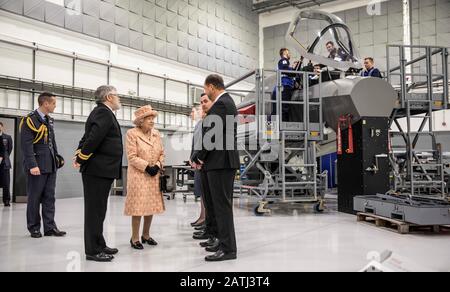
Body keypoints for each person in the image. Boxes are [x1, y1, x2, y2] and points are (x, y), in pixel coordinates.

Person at [191, 74, 239, 262]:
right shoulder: (225, 103)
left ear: (211, 87)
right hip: (219, 162)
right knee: (218, 207)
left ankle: (228, 250)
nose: (205, 94)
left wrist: (200, 156)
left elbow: (213, 135)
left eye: (205, 90)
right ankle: (222, 243)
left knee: (222, 207)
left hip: (221, 162)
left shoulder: (222, 103)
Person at [73, 85, 123, 262]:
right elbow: (93, 139)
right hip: (97, 170)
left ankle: (99, 243)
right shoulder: (103, 112)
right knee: (94, 211)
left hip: (102, 170)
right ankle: (92, 251)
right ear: (109, 97)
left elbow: (87, 136)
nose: (119, 99)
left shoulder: (104, 112)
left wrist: (79, 155)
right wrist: (81, 158)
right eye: (117, 96)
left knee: (99, 210)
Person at [20, 92, 66, 238]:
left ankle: (50, 227)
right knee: (34, 197)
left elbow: (52, 141)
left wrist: (57, 157)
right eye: (53, 103)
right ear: (45, 103)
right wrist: (32, 164)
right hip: (37, 166)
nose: (55, 106)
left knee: (49, 197)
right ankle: (33, 227)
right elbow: (26, 145)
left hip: (50, 164)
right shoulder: (30, 120)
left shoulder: (49, 120)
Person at [124, 105, 165, 250]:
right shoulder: (132, 133)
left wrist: (158, 165)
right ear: (140, 121)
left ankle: (146, 235)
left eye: (153, 118)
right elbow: (132, 156)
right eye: (149, 118)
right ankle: (134, 238)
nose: (152, 121)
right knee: (138, 207)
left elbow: (162, 153)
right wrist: (147, 166)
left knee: (150, 206)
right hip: (139, 176)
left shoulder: (156, 133)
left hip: (154, 175)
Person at [190, 101, 206, 228]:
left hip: (201, 161)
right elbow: (195, 144)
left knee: (204, 193)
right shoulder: (198, 125)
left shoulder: (203, 124)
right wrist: (191, 157)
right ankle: (202, 216)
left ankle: (205, 218)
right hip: (197, 160)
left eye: (194, 111)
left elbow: (202, 144)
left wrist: (198, 159)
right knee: (201, 191)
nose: (191, 114)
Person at [273, 48, 299, 121]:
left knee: (278, 109)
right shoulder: (283, 61)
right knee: (284, 108)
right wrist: (293, 71)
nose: (289, 54)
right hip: (284, 86)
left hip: (281, 87)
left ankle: (274, 128)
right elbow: (285, 69)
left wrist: (293, 68)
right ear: (284, 53)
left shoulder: (285, 64)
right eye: (288, 52)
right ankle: (284, 126)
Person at [0, 122, 13, 207]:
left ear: (2, 127)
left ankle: (6, 200)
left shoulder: (7, 137)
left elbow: (9, 149)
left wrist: (3, 157)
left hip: (4, 163)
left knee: (6, 183)